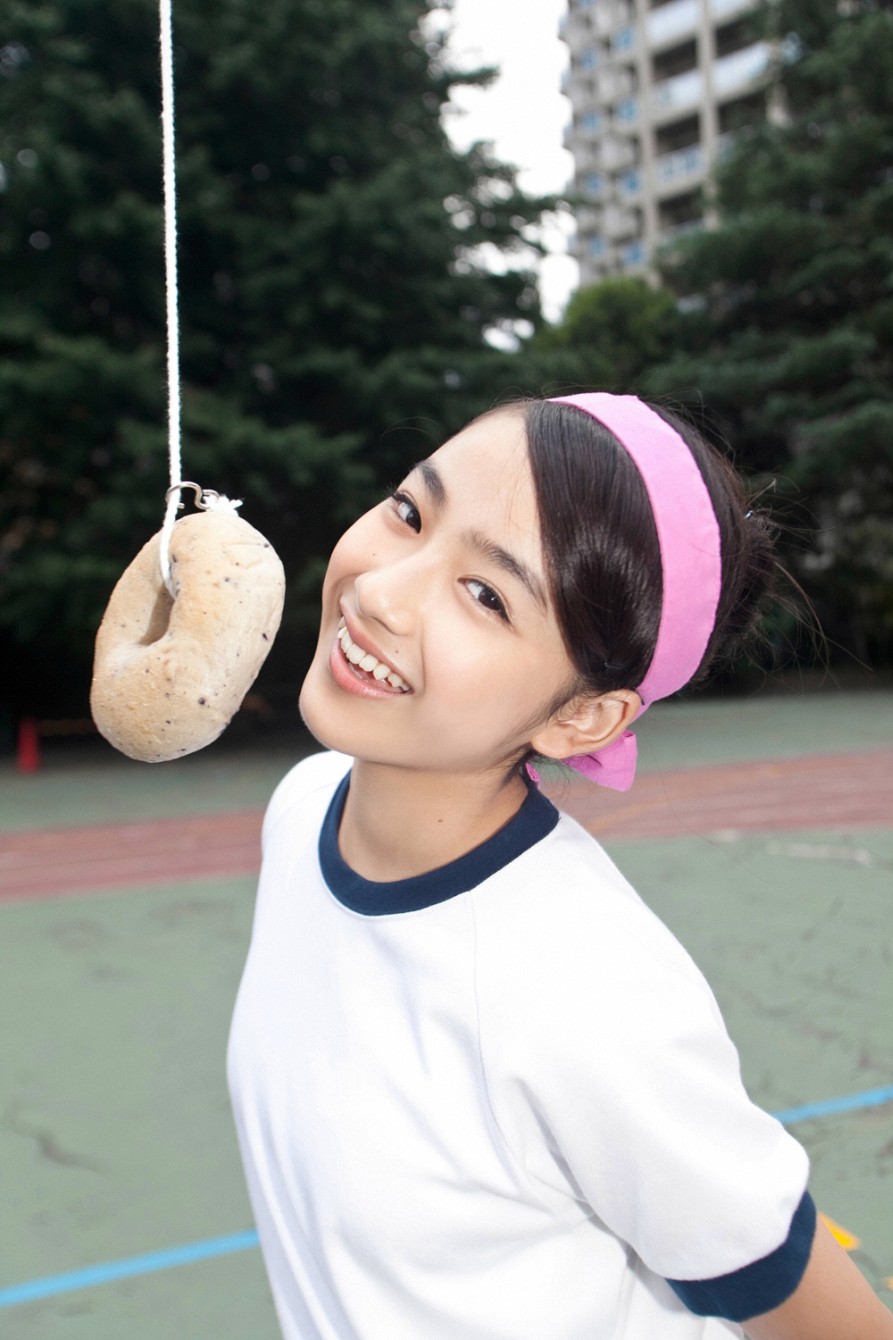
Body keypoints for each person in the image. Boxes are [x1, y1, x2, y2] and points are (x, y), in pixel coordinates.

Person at [228, 393, 893, 1340]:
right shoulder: (302, 809)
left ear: (582, 717)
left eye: (486, 595)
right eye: (410, 511)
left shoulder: (583, 992)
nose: (380, 591)